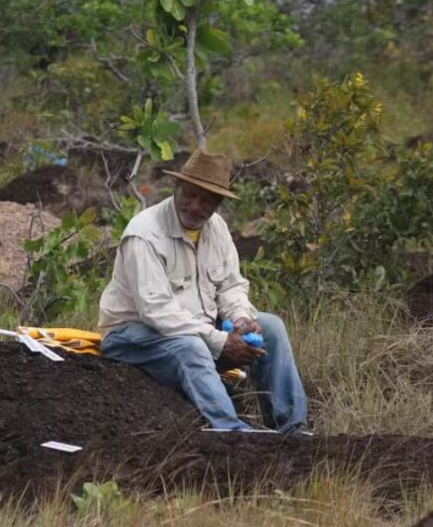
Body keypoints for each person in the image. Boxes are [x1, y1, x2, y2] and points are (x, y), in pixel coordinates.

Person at [97, 148, 309, 433]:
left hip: (198, 330)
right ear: (177, 188)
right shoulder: (144, 234)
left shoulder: (216, 228)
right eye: (190, 195)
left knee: (270, 328)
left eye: (207, 200)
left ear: (218, 203)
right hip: (132, 336)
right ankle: (231, 431)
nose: (196, 206)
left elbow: (230, 285)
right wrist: (221, 341)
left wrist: (242, 319)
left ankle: (292, 428)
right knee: (192, 346)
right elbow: (156, 311)